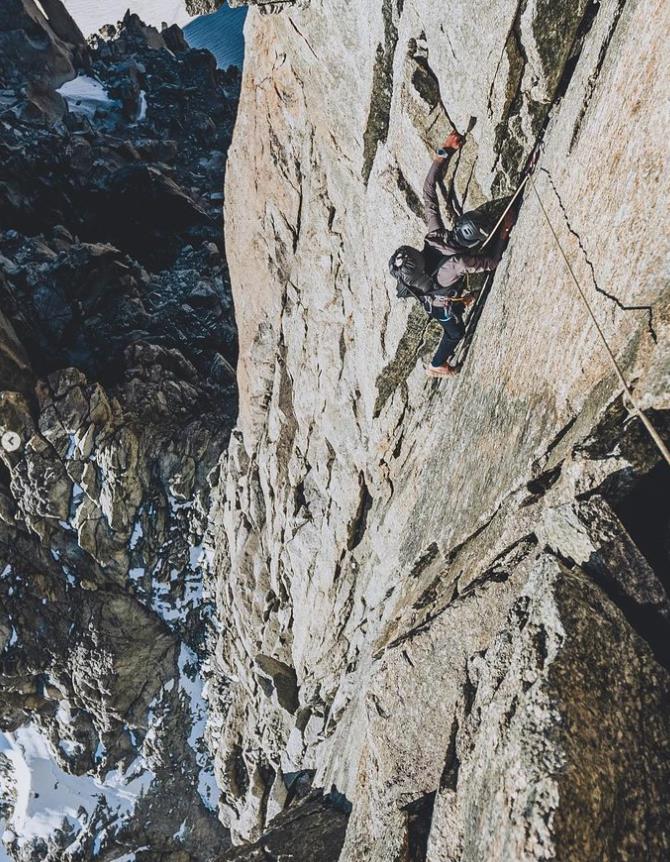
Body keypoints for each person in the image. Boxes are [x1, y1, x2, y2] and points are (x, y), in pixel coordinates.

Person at [389, 131, 514, 378]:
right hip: (438, 303)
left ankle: (462, 301)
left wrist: (443, 153)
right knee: (455, 333)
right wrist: (504, 233)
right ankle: (437, 365)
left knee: (454, 298)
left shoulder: (435, 236)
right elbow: (493, 262)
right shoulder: (458, 261)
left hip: (436, 288)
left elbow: (428, 193)